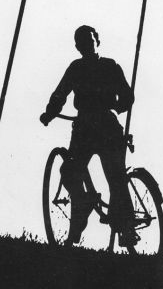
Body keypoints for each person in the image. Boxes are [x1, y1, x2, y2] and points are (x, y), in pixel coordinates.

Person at [40, 25, 136, 247]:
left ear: (97, 41)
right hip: (84, 127)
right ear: (77, 47)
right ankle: (82, 205)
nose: (86, 45)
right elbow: (60, 93)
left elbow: (128, 96)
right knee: (70, 170)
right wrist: (50, 113)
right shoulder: (75, 68)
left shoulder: (110, 66)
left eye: (89, 40)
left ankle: (127, 227)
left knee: (115, 177)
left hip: (107, 126)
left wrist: (115, 109)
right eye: (81, 42)